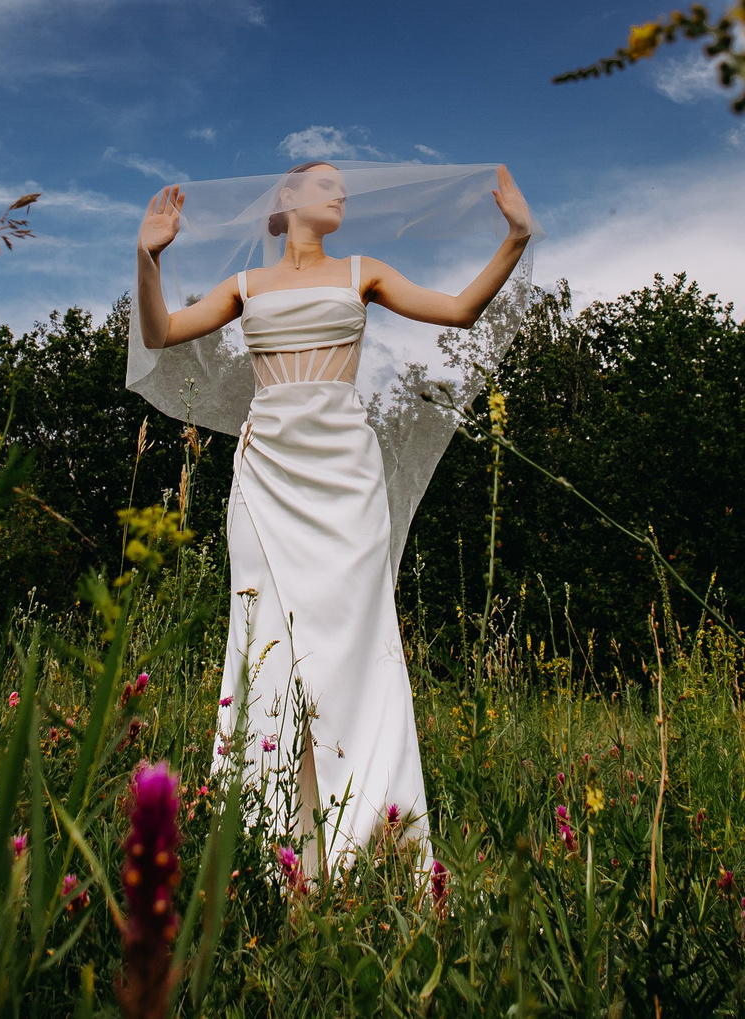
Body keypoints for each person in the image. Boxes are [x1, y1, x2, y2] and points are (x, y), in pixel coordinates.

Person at [134, 160, 532, 872]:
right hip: (266, 477)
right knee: (266, 644)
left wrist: (516, 239)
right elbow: (161, 331)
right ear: (286, 201)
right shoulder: (246, 287)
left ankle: (374, 839)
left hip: (345, 474)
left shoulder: (363, 272)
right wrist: (148, 257)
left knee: (357, 641)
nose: (341, 190)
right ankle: (269, 846)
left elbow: (460, 309)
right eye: (324, 183)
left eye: (342, 183)